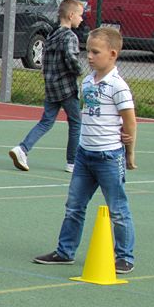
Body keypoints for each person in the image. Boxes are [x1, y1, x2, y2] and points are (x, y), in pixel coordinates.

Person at [34, 27, 137, 274]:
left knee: (118, 209)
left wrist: (129, 153)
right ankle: (65, 251)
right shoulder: (88, 81)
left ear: (112, 54)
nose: (88, 56)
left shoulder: (118, 86)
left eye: (95, 52)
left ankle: (124, 256)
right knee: (74, 205)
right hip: (85, 155)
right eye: (87, 51)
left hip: (108, 156)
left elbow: (130, 121)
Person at [9, 0, 84, 173]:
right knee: (75, 123)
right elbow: (72, 60)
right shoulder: (70, 37)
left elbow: (46, 61)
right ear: (71, 15)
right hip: (67, 88)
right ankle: (72, 162)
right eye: (80, 15)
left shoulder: (52, 34)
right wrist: (79, 71)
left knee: (46, 121)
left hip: (51, 87)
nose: (81, 19)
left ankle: (23, 149)